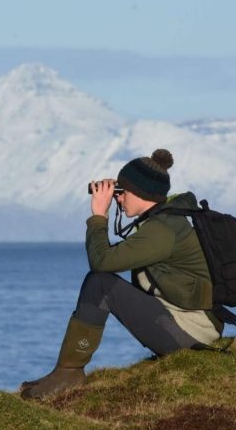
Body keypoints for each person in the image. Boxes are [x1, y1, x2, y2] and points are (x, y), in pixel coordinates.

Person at [20, 149, 223, 400]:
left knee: (100, 285)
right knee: (101, 282)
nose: (118, 199)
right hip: (187, 325)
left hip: (191, 335)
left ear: (141, 193)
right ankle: (64, 370)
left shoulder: (162, 230)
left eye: (122, 192)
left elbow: (101, 262)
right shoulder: (163, 223)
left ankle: (69, 373)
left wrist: (98, 216)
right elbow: (112, 258)